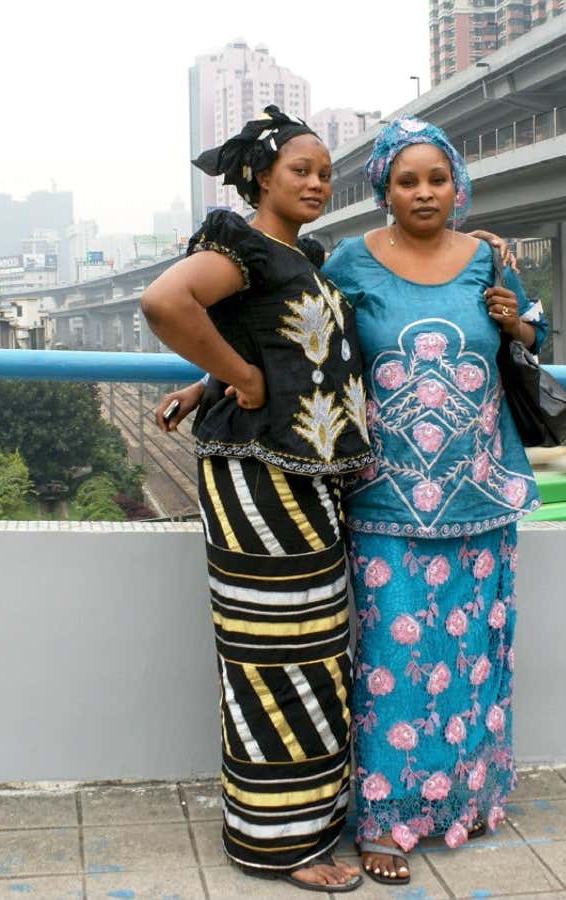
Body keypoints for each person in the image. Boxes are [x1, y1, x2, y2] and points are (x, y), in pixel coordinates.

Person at [138, 106, 369, 893]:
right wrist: (235, 382)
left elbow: (278, 347)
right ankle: (281, 846)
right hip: (258, 478)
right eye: (301, 169)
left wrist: (211, 379)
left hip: (304, 476)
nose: (316, 182)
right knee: (273, 654)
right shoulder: (239, 245)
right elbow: (167, 303)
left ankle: (309, 825)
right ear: (262, 175)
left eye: (325, 172)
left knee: (313, 649)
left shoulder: (298, 256)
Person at [320, 116, 547, 885]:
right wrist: (210, 380)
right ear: (383, 189)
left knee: (472, 655)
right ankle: (385, 819)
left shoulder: (488, 257)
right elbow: (296, 340)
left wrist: (514, 319)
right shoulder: (351, 262)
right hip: (384, 499)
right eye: (407, 181)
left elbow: (530, 335)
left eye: (436, 179)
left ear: (457, 186)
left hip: (480, 492)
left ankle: (465, 801)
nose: (423, 192)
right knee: (391, 658)